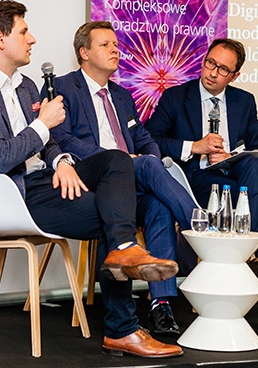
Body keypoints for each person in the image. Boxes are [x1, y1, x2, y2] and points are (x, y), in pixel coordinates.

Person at [0, 0, 182, 358]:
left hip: (45, 180)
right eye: (24, 32)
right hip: (13, 195)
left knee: (117, 159)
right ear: (0, 39)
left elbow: (49, 144)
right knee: (111, 215)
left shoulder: (25, 87)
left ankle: (122, 254)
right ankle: (122, 328)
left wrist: (61, 162)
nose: (33, 39)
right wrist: (44, 124)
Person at [42, 20, 199, 336]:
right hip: (92, 179)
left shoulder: (122, 95)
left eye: (115, 45)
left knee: (158, 206)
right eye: (105, 45)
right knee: (143, 166)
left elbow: (143, 137)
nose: (114, 50)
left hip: (129, 183)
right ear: (84, 52)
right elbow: (62, 139)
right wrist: (121, 161)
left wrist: (146, 157)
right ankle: (203, 232)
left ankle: (161, 306)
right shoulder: (63, 88)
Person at [146, 38, 258, 327]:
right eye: (210, 63)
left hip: (237, 176)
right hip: (197, 179)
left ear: (235, 76)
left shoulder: (243, 101)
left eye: (223, 69)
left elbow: (257, 145)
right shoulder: (176, 97)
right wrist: (194, 147)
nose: (213, 72)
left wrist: (231, 155)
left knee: (253, 167)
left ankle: (246, 253)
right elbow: (150, 141)